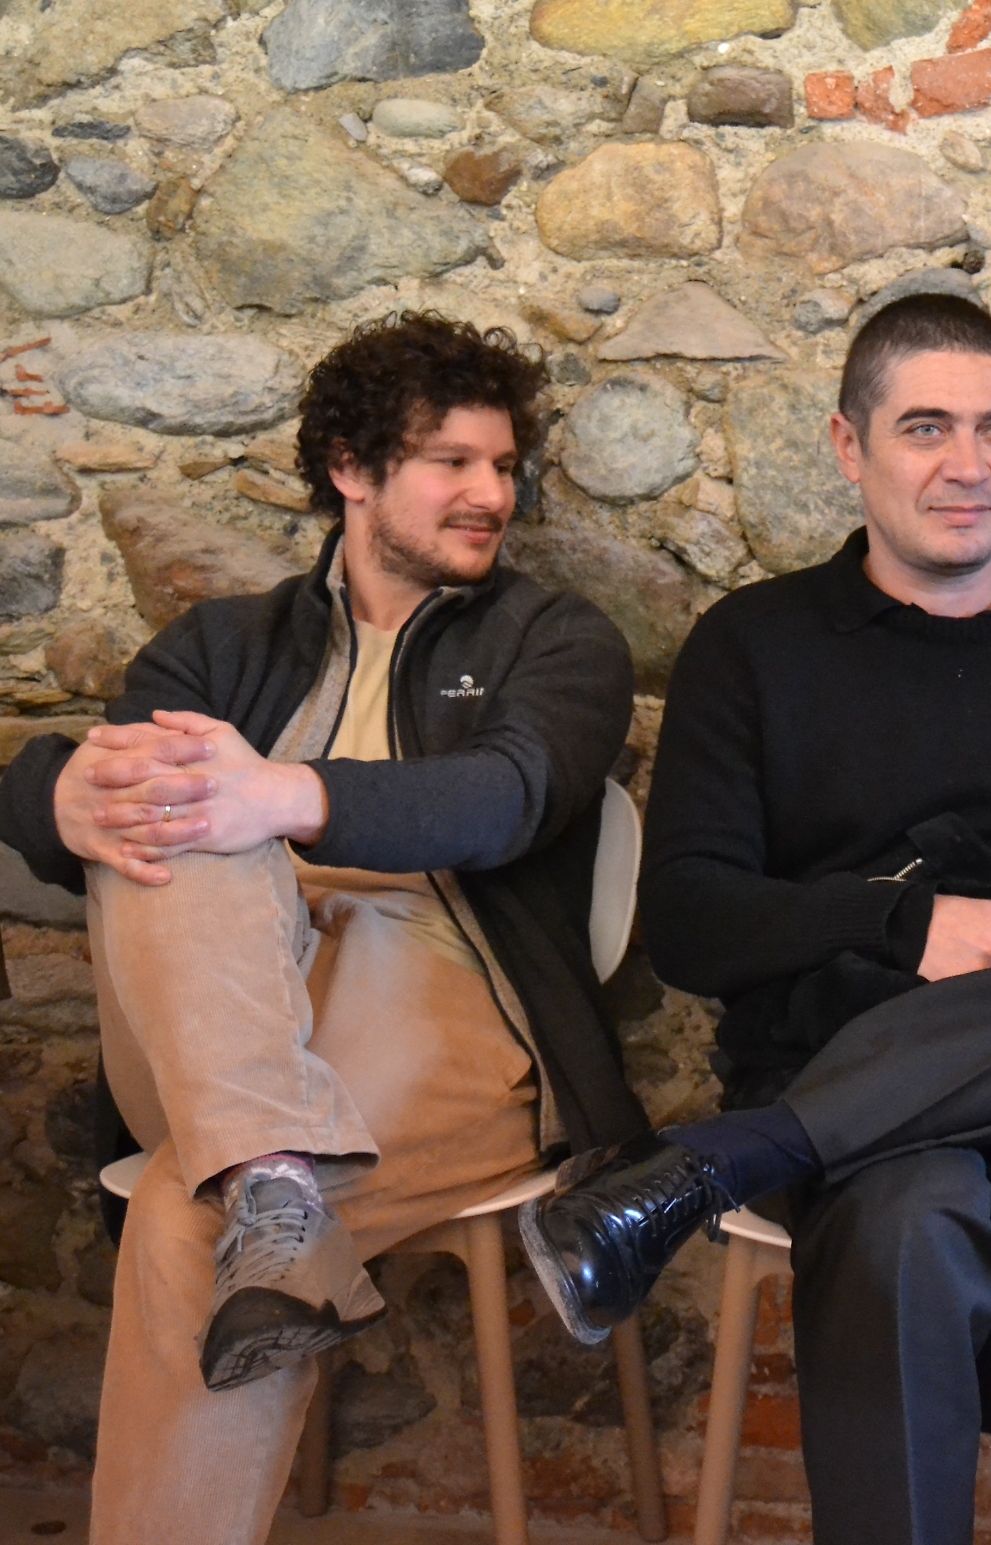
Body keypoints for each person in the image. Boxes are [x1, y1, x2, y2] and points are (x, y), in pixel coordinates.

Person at [517, 293, 991, 1545]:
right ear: (849, 447)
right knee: (907, 1218)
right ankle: (804, 1138)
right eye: (926, 428)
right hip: (842, 1053)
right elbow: (693, 923)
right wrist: (901, 928)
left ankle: (730, 1158)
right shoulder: (753, 646)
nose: (969, 465)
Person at [0, 312, 641, 1545]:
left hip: (446, 996)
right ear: (352, 469)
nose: (492, 494)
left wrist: (283, 797)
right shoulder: (221, 647)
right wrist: (57, 800)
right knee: (177, 803)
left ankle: (266, 1182)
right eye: (453, 462)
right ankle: (274, 1167)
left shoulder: (557, 641)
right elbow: (116, 795)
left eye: (503, 466)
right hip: (215, 1008)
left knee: (195, 1216)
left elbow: (509, 796)